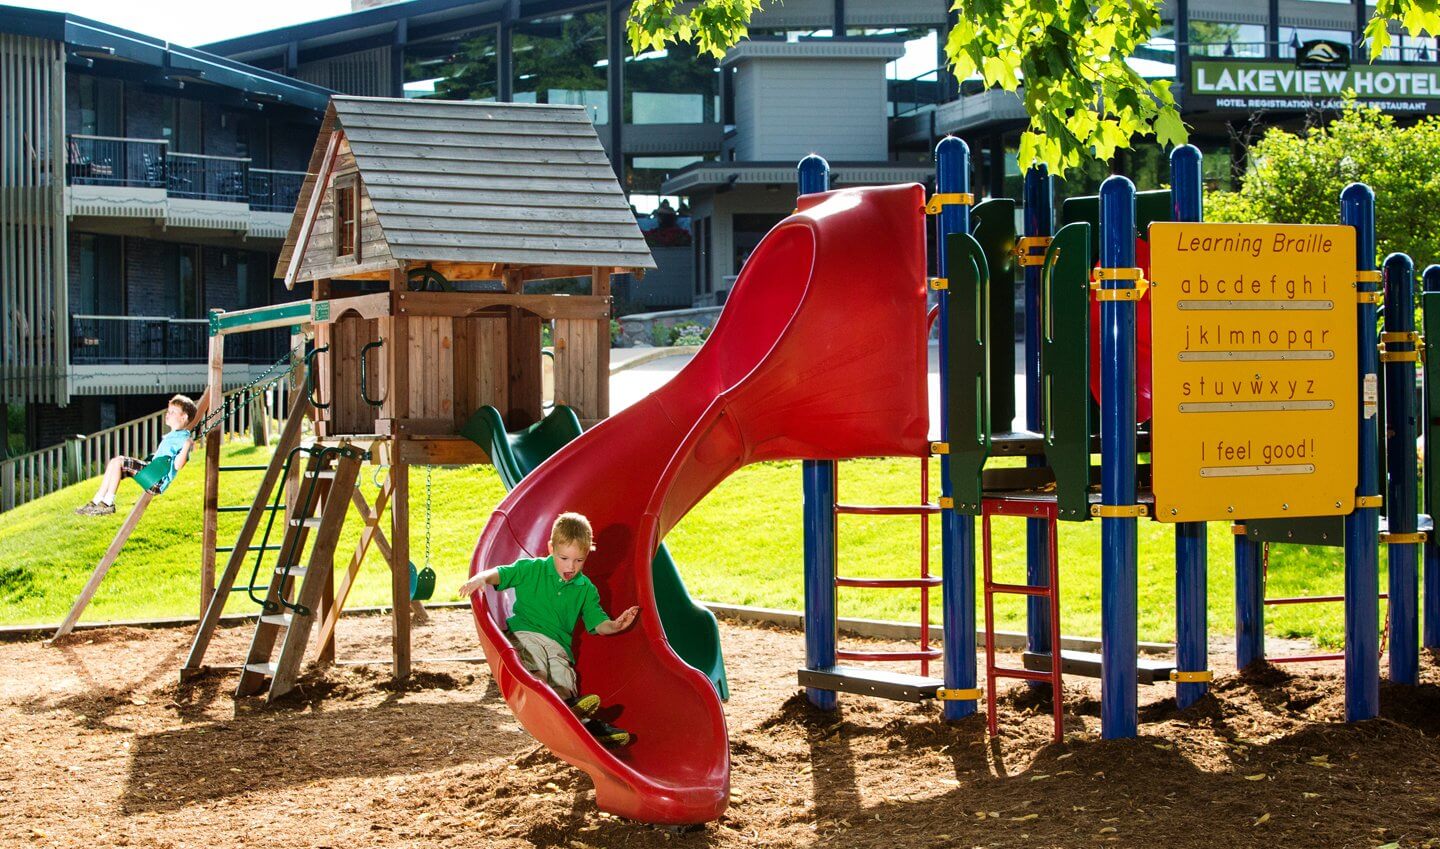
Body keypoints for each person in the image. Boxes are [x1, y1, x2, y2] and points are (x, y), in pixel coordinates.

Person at [460, 512, 640, 746]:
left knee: (563, 681)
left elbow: (598, 623)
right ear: (550, 548)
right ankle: (564, 714)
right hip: (525, 636)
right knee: (539, 672)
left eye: (579, 561)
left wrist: (615, 626)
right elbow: (502, 573)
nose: (571, 567)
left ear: (587, 555)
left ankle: (575, 718)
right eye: (564, 558)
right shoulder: (532, 569)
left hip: (558, 647)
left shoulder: (585, 589)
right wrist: (481, 578)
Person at [76, 394, 197, 516]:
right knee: (114, 462)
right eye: (168, 411)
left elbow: (178, 466)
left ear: (184, 417)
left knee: (119, 462)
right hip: (152, 474)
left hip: (156, 479)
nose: (168, 414)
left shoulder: (183, 439)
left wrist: (186, 446)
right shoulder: (174, 435)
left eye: (173, 412)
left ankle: (107, 503)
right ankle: (96, 501)